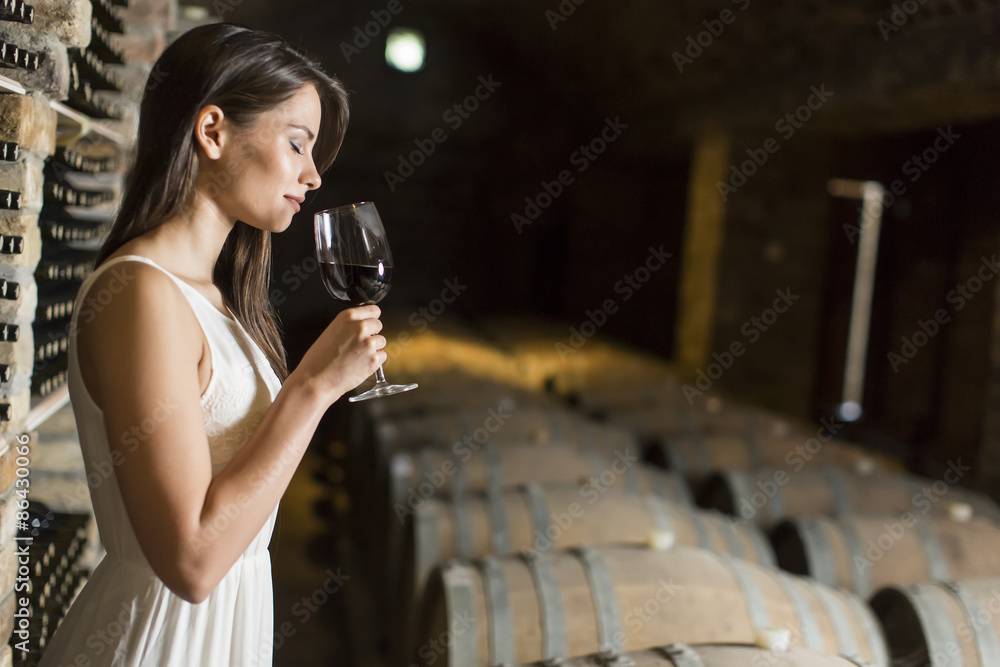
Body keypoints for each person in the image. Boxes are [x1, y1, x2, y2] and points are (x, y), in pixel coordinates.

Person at [37, 23, 386, 666]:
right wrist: (314, 389)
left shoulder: (216, 298)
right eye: (297, 144)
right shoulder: (142, 296)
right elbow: (191, 562)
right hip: (159, 642)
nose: (312, 176)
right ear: (213, 131)